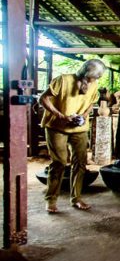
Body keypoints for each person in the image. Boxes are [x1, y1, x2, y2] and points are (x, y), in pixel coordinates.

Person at [39, 59, 106, 213]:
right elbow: (43, 98)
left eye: (96, 78)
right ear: (85, 73)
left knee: (80, 163)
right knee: (60, 163)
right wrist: (60, 116)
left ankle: (76, 198)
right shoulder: (63, 80)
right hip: (57, 126)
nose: (94, 81)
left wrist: (83, 115)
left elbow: (91, 103)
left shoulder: (93, 85)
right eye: (92, 77)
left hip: (79, 128)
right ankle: (51, 200)